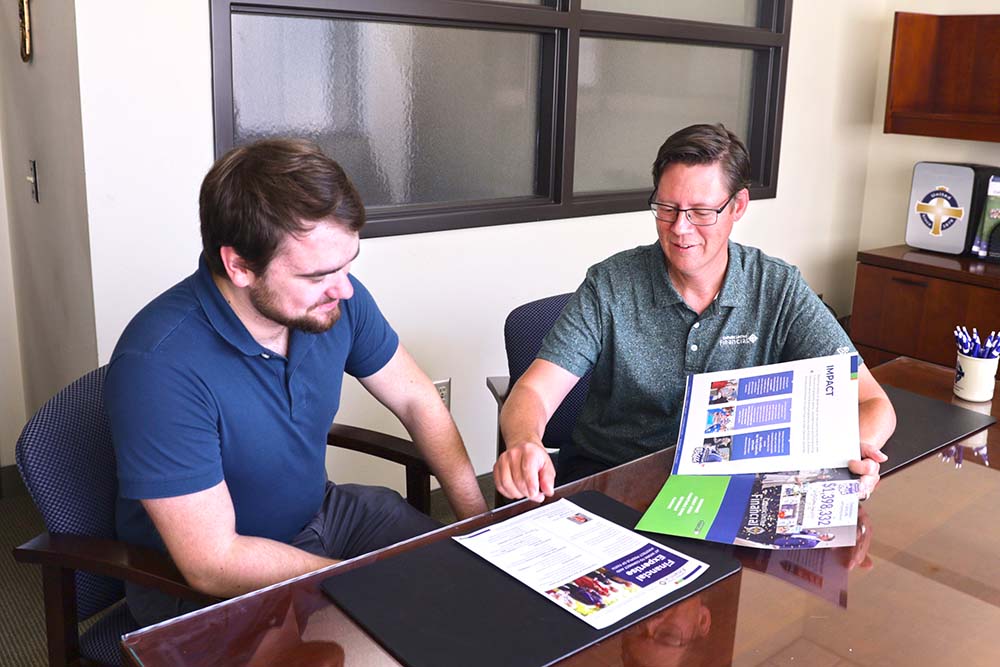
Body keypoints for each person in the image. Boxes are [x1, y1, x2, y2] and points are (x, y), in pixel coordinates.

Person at [106, 138, 487, 626]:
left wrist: (480, 522)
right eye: (318, 275)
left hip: (324, 515)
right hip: (209, 585)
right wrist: (356, 582)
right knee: (398, 633)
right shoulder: (157, 366)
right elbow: (212, 561)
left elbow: (417, 399)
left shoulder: (333, 302)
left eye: (349, 264)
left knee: (472, 581)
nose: (344, 288)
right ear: (239, 266)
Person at [494, 123, 896, 503]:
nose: (680, 229)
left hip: (730, 486)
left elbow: (874, 404)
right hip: (613, 478)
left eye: (701, 212)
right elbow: (532, 391)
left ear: (738, 206)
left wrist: (850, 452)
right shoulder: (610, 285)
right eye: (667, 208)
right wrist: (524, 441)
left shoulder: (777, 288)